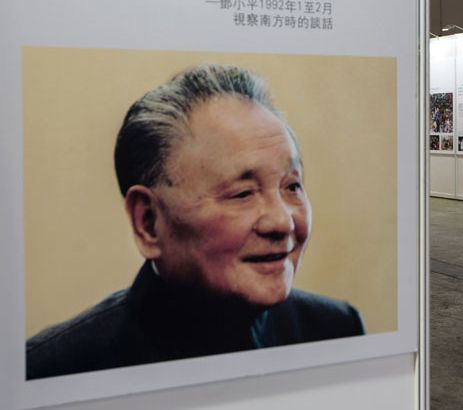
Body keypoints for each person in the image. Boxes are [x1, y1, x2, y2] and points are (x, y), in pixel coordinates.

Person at [26, 64, 365, 380]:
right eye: (242, 193)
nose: (282, 222)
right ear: (149, 222)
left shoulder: (333, 330)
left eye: (292, 186)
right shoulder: (55, 369)